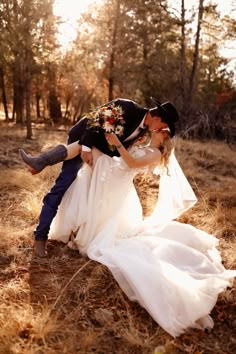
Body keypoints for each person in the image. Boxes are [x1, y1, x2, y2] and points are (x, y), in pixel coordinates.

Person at [45, 128, 235, 338]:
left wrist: (117, 142)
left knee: (86, 148)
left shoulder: (155, 152)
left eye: (164, 131)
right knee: (86, 151)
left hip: (118, 174)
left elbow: (133, 164)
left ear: (165, 138)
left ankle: (45, 161)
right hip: (117, 173)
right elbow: (129, 157)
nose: (159, 130)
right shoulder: (147, 146)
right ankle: (72, 213)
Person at [19, 97, 179, 257]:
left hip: (102, 158)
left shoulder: (144, 130)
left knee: (87, 194)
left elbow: (119, 149)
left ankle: (77, 231)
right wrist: (88, 148)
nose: (159, 130)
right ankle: (40, 237)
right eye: (163, 126)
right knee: (62, 187)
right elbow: (95, 120)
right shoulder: (126, 107)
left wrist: (104, 162)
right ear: (157, 118)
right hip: (84, 139)